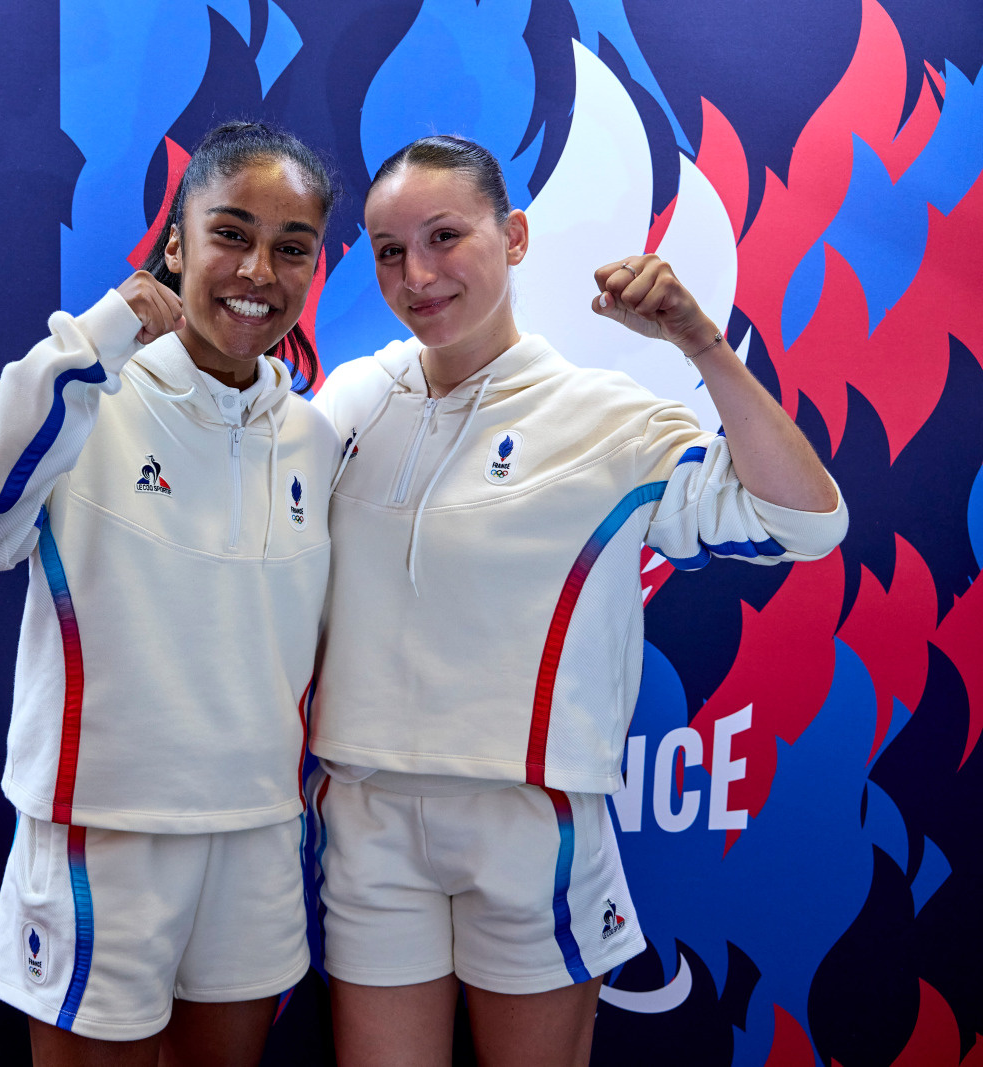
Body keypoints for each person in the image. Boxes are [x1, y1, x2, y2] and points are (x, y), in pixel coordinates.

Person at [309, 135, 846, 1066]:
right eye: (390, 249)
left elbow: (804, 524)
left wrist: (700, 342)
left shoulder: (607, 416)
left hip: (532, 828)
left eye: (446, 236)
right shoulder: (351, 401)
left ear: (514, 236)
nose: (418, 274)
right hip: (364, 815)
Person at [0, 121, 341, 1067]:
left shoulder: (312, 437)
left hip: (260, 834)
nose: (258, 270)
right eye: (231, 233)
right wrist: (92, 340)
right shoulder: (88, 390)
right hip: (107, 838)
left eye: (290, 246)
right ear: (176, 243)